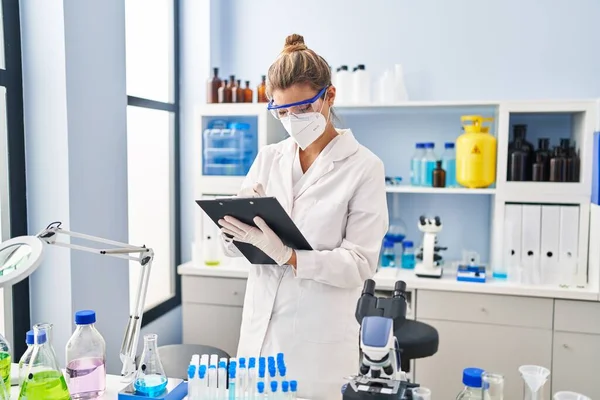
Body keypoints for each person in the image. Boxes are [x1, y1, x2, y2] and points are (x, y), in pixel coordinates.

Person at [217, 33, 389, 400]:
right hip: (258, 339)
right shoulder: (268, 158)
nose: (292, 120)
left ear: (329, 96)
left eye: (302, 109)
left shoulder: (364, 168)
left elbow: (360, 263)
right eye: (282, 111)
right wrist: (233, 231)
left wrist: (289, 256)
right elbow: (235, 249)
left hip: (316, 352)